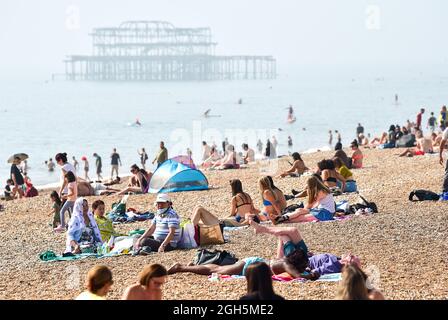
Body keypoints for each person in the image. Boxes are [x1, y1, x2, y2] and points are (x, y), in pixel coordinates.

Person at [168, 222, 310, 279]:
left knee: (219, 268)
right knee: (215, 271)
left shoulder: (286, 262)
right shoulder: (287, 264)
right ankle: (180, 268)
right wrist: (311, 276)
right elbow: (298, 276)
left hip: (254, 264)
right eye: (304, 264)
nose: (305, 266)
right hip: (249, 265)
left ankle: (191, 266)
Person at [191, 179, 262, 227]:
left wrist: (225, 217)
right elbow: (253, 209)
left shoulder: (235, 198)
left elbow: (232, 214)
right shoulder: (248, 196)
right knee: (198, 209)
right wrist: (261, 214)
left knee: (199, 209)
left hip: (224, 223)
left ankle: (189, 229)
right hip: (228, 221)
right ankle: (190, 225)